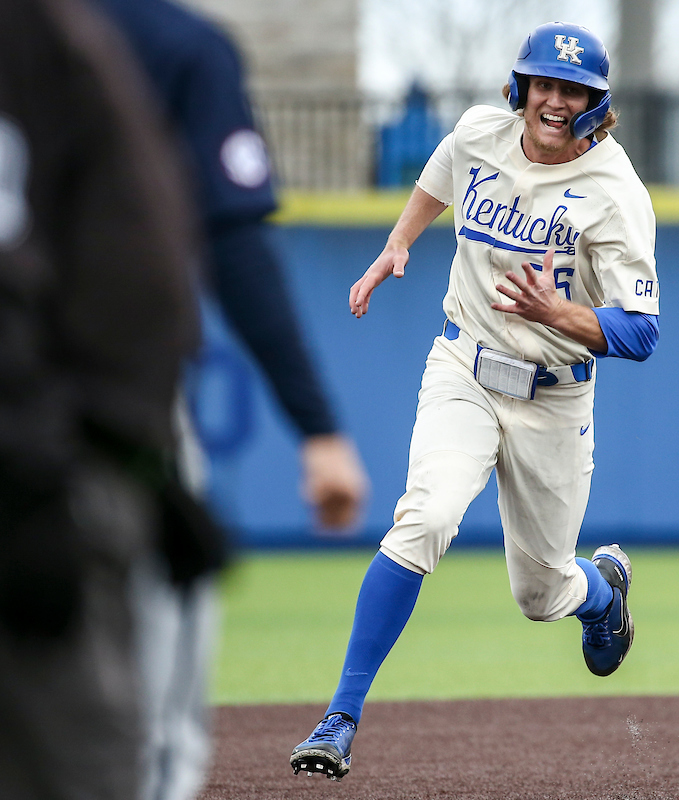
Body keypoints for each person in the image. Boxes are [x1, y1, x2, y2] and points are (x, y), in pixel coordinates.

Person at [289, 21, 661, 781]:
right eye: (543, 85)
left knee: (540, 591)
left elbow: (644, 331)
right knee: (423, 517)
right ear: (521, 88)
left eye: (573, 92)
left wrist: (561, 315)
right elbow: (442, 171)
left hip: (555, 398)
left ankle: (602, 590)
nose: (553, 102)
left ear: (596, 105)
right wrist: (400, 242)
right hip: (464, 365)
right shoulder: (481, 133)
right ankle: (339, 719)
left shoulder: (616, 191)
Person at [89, 1, 370, 798]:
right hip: (108, 407)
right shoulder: (175, 44)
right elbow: (233, 249)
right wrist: (318, 429)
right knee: (148, 724)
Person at [0, 0, 203, 797]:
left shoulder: (57, 28)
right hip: (39, 478)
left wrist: (140, 453)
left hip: (81, 452)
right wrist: (34, 458)